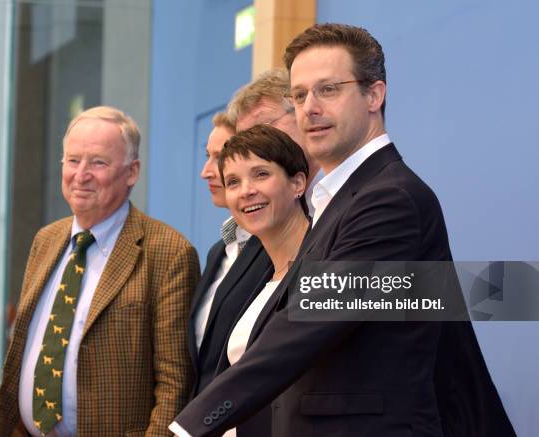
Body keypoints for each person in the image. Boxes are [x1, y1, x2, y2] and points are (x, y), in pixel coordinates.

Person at [171, 23, 514, 437]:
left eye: (328, 90)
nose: (310, 108)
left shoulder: (389, 199)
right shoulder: (332, 201)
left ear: (374, 95)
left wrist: (187, 428)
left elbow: (305, 324)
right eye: (300, 95)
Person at [0, 106, 200, 437]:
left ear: (132, 172)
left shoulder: (169, 252)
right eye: (73, 160)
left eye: (98, 162)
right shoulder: (45, 240)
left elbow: (175, 384)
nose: (81, 174)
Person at [188, 112, 272, 402]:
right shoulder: (218, 252)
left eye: (219, 157)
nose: (207, 170)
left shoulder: (278, 251)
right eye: (208, 156)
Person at [227, 68, 322, 215]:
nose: (255, 145)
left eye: (264, 127)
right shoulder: (260, 216)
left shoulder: (351, 189)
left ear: (300, 115)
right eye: (246, 137)